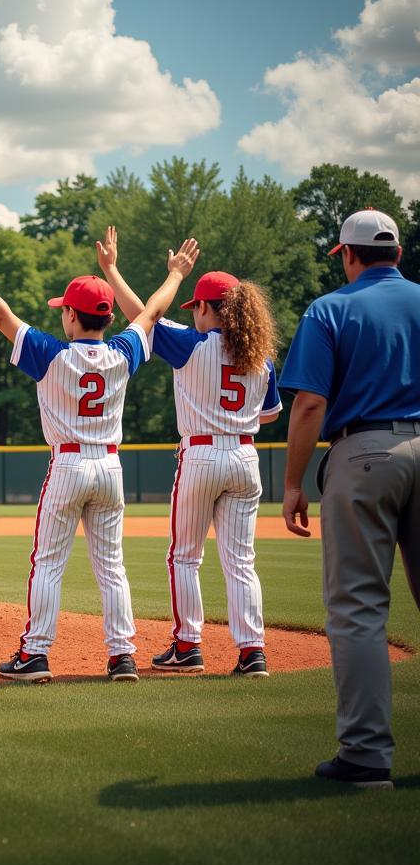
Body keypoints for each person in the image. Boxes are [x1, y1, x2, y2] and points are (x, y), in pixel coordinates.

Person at [0, 228, 200, 683]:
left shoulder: (50, 354)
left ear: (70, 315)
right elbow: (152, 313)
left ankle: (35, 654)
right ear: (105, 317)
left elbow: (1, 315)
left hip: (68, 464)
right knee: (112, 566)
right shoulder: (122, 351)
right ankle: (123, 656)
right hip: (110, 467)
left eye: (63, 310)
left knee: (48, 562)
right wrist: (176, 275)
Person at [99, 228, 283, 677]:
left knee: (185, 555)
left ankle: (187, 645)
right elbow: (270, 415)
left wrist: (112, 270)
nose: (193, 315)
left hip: (201, 456)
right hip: (245, 457)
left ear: (204, 307)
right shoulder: (262, 357)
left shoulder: (191, 344)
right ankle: (252, 651)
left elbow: (142, 315)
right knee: (241, 561)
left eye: (196, 308)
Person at [280, 208, 419, 789]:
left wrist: (293, 482)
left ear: (347, 254)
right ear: (399, 253)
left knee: (360, 609)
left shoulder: (331, 308)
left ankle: (366, 757)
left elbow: (310, 404)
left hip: (365, 455)